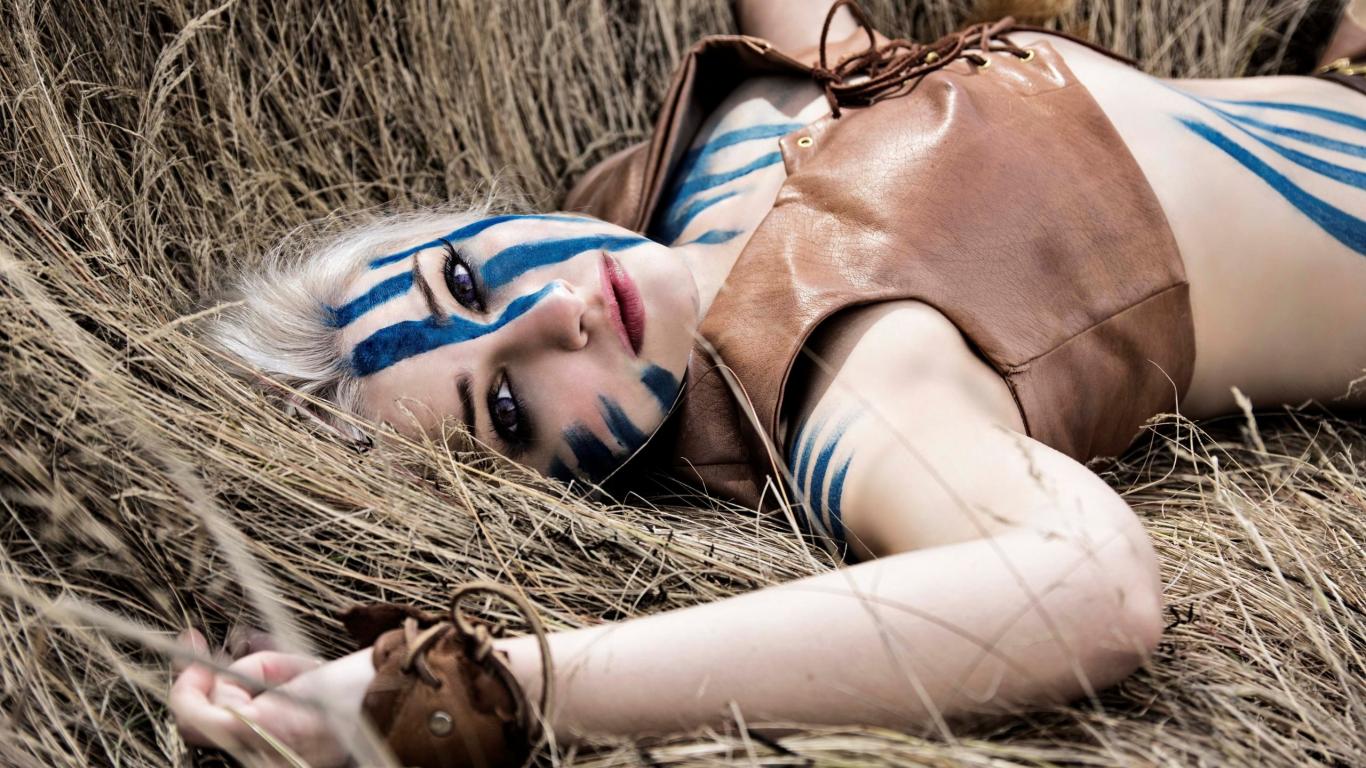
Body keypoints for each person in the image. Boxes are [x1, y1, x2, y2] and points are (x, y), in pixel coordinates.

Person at [171, 0, 1366, 765]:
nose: (553, 314)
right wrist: (482, 688)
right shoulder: (840, 379)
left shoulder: (695, 174)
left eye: (465, 278)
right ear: (540, 493)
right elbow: (1089, 591)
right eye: (508, 407)